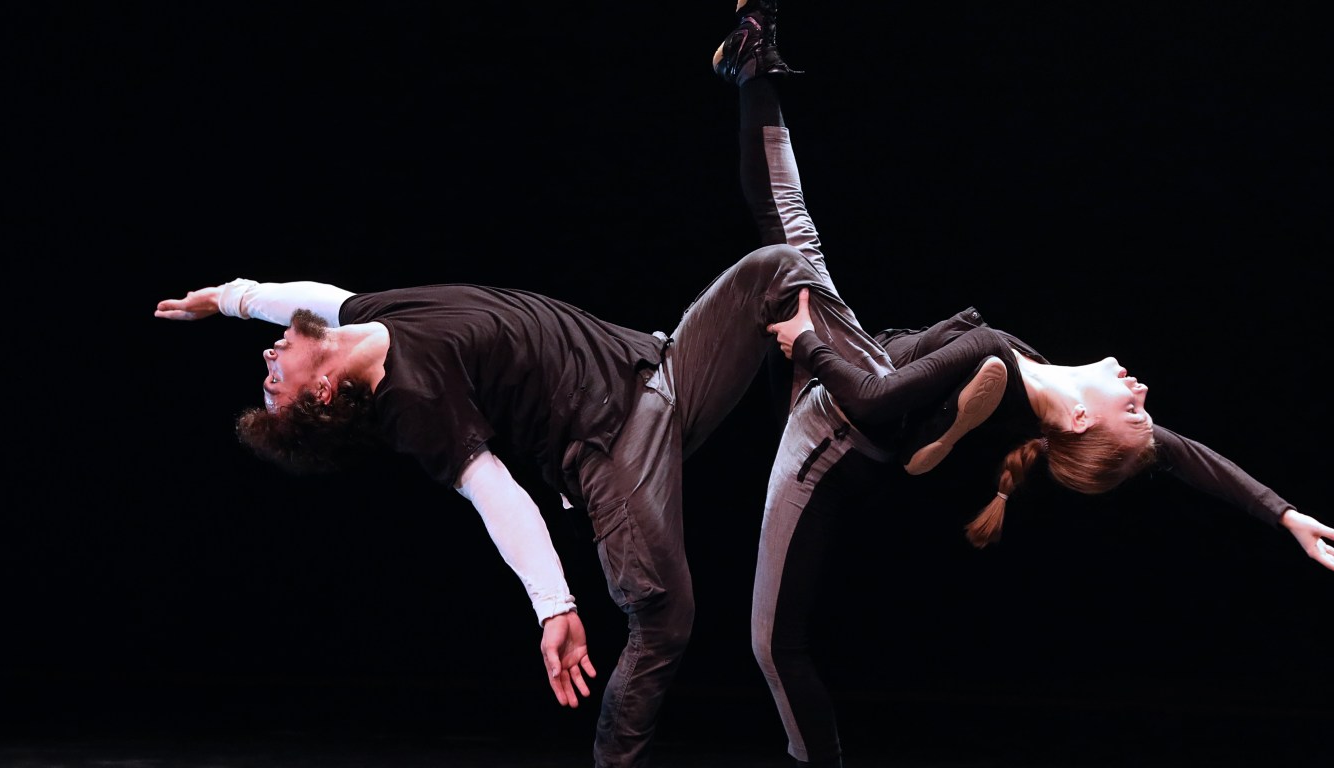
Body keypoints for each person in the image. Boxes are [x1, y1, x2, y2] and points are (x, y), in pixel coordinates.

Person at [149, 13, 903, 762]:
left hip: (658, 366)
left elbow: (310, 297)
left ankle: (872, 392)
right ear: (320, 395)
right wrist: (554, 605)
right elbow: (495, 495)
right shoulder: (412, 404)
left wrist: (230, 298)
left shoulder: (366, 317)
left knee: (777, 269)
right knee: (665, 619)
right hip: (612, 449)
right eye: (272, 382)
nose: (268, 358)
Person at [706, 4, 1334, 766]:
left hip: (836, 428)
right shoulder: (1033, 378)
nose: (1145, 394)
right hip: (866, 373)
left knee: (772, 644)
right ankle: (751, 59)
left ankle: (816, 755)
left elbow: (872, 401)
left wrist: (809, 344)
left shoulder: (999, 361)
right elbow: (1187, 457)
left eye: (1133, 412)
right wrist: (1282, 514)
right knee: (791, 227)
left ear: (1080, 420)